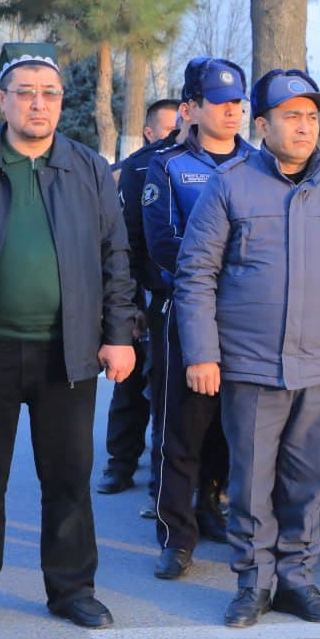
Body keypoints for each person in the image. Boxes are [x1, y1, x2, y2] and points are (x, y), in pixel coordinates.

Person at [0, 42, 138, 636]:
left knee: (67, 477)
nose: (39, 105)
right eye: (26, 93)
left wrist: (119, 334)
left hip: (69, 353)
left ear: (62, 102)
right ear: (2, 100)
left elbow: (116, 256)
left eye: (50, 94)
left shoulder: (88, 167)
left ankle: (71, 590)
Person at [174, 68, 320, 627]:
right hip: (249, 364)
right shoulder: (232, 184)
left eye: (312, 116)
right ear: (262, 124)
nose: (304, 126)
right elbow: (195, 273)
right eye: (291, 116)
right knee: (250, 484)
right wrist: (202, 353)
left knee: (308, 481)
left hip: (319, 367)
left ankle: (297, 579)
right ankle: (253, 582)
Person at [143, 57, 256, 580]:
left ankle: (212, 506)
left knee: (225, 430)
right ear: (191, 109)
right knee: (181, 428)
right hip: (186, 315)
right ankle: (176, 533)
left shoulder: (257, 163)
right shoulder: (167, 165)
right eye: (220, 103)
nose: (231, 112)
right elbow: (164, 244)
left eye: (238, 103)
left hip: (242, 320)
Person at [98, 98, 183, 506]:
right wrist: (130, 302)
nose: (173, 136)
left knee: (174, 395)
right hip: (145, 293)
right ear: (149, 132)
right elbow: (124, 242)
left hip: (183, 294)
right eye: (166, 130)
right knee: (130, 386)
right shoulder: (136, 168)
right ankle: (120, 463)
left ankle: (171, 480)